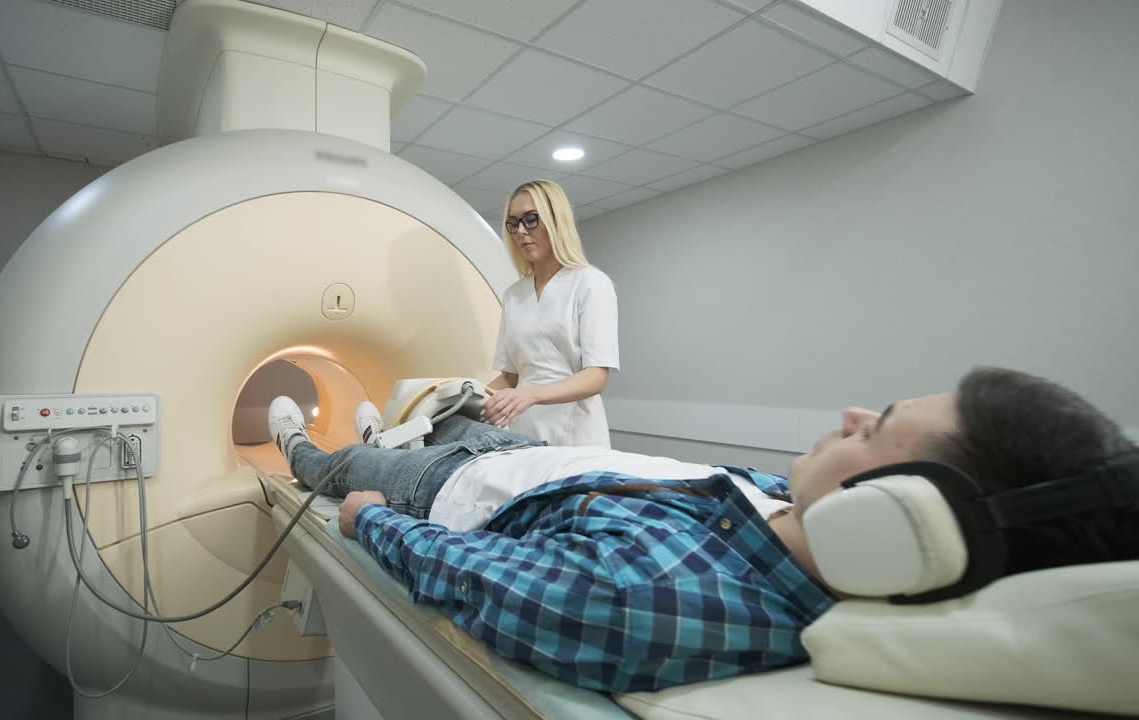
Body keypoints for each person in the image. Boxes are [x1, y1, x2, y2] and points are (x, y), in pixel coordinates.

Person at [267, 367, 1137, 692]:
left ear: (890, 520)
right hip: (531, 458)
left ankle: (305, 443)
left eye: (876, 428)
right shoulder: (781, 508)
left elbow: (482, 577)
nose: (851, 410)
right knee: (449, 395)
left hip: (454, 490)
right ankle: (394, 428)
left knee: (342, 472)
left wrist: (376, 525)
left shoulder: (659, 599)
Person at [483, 179, 619, 447]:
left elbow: (596, 376)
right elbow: (510, 377)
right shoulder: (514, 295)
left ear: (557, 221)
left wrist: (530, 394)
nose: (521, 231)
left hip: (575, 432)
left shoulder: (590, 282)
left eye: (531, 219)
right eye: (513, 223)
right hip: (523, 428)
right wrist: (463, 398)